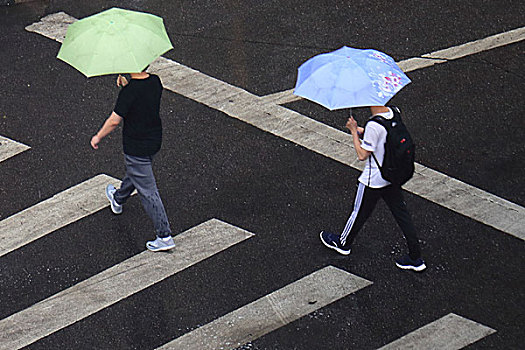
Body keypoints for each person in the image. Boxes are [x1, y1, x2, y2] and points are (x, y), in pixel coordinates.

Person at [320, 106, 426, 271]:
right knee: (402, 216)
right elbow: (384, 140)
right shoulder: (394, 112)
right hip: (392, 177)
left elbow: (362, 155)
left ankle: (343, 243)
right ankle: (416, 257)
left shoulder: (374, 124)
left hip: (373, 180)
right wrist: (363, 132)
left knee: (358, 213)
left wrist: (354, 131)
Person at [90, 71, 175, 252]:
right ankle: (118, 198)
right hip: (154, 140)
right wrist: (128, 87)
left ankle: (164, 235)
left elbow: (114, 121)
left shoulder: (128, 94)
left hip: (136, 146)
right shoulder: (155, 81)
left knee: (148, 191)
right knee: (136, 173)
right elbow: (142, 101)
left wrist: (98, 136)